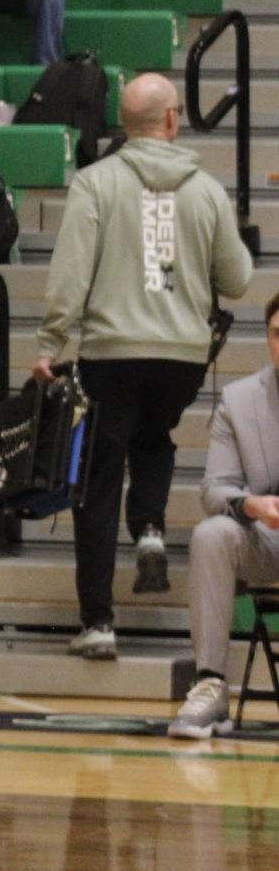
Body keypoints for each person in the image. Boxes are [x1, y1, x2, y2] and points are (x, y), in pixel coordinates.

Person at [32, 73, 253, 662]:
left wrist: (51, 342)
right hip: (180, 357)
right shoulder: (205, 190)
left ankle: (99, 622)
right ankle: (150, 530)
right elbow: (238, 279)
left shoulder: (96, 184)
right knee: (154, 438)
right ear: (174, 119)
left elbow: (71, 274)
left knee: (99, 480)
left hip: (111, 352)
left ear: (122, 124)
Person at [170, 294, 279, 739]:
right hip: (267, 537)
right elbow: (214, 488)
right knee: (212, 534)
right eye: (277, 334)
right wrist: (250, 505)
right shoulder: (239, 400)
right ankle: (211, 687)